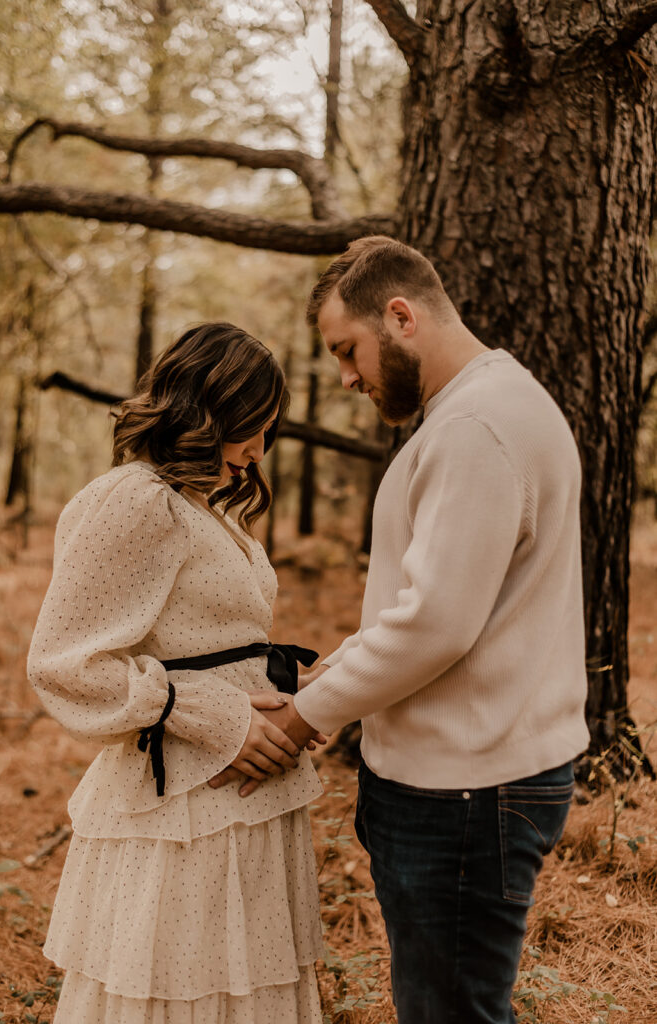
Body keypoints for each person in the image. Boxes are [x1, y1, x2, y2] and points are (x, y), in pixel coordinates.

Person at [221, 236, 590, 1023]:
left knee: (448, 1013)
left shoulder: (474, 429)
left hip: (464, 788)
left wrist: (299, 718)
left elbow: (436, 625)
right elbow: (436, 603)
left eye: (346, 351)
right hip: (466, 775)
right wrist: (332, 677)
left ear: (400, 315)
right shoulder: (488, 407)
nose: (347, 377)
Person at [27, 322, 326, 1024]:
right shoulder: (137, 498)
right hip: (182, 807)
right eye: (247, 428)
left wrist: (300, 698)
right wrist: (211, 716)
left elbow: (213, 642)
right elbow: (66, 663)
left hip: (241, 802)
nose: (255, 453)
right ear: (204, 410)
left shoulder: (204, 507)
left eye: (266, 432)